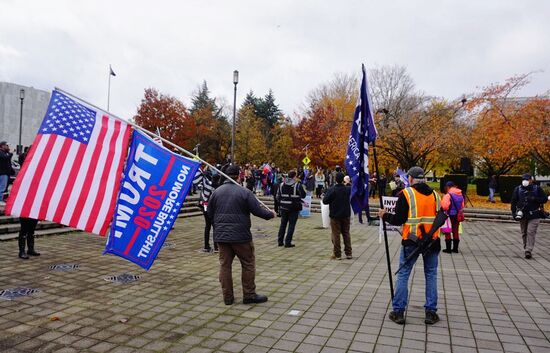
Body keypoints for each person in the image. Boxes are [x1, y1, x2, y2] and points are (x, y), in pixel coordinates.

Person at [378, 166, 441, 325]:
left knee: (404, 274)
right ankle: (431, 312)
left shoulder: (407, 194)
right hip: (432, 242)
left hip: (411, 241)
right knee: (431, 274)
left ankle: (398, 311)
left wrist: (384, 215)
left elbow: (398, 219)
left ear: (411, 179)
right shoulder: (436, 195)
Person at [208, 165, 276, 305]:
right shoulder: (244, 192)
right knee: (248, 263)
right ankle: (249, 295)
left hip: (221, 236)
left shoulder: (216, 192)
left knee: (225, 265)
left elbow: (209, 213)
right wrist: (271, 214)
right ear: (239, 176)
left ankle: (228, 297)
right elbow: (257, 211)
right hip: (241, 236)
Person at [511, 174, 548, 259]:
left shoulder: (537, 188)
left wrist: (535, 199)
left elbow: (544, 199)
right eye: (523, 179)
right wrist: (514, 213)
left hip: (534, 214)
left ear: (531, 180)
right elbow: (513, 202)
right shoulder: (518, 189)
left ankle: (528, 250)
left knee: (531, 231)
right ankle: (526, 247)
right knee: (524, 232)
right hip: (522, 215)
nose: (525, 181)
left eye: (527, 179)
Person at [323, 172, 352, 260]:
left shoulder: (332, 189)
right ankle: (348, 253)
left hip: (335, 215)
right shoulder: (348, 189)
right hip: (346, 214)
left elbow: (325, 201)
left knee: (336, 234)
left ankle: (337, 254)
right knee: (346, 233)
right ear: (343, 180)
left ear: (335, 179)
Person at [276, 170, 306, 247]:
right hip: (294, 208)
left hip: (283, 208)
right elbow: (303, 195)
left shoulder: (281, 184)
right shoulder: (297, 185)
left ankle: (280, 241)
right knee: (291, 225)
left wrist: (282, 203)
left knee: (283, 224)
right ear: (294, 176)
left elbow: (278, 196)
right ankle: (287, 242)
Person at [440, 181, 464, 253]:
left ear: (448, 187)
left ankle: (448, 249)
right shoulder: (460, 194)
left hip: (449, 215)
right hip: (457, 215)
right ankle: (455, 249)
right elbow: (462, 206)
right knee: (455, 230)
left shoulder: (448, 195)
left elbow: (445, 206)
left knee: (447, 231)